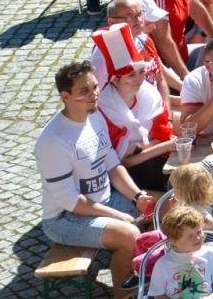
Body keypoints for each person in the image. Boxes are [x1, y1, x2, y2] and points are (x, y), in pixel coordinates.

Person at [35, 61, 149, 298]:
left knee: (164, 205)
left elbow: (112, 165)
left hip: (104, 202)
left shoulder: (95, 117)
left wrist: (138, 196)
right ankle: (124, 295)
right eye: (84, 91)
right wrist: (118, 215)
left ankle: (158, 277)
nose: (94, 94)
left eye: (95, 87)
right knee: (129, 235)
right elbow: (69, 200)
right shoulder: (53, 140)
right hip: (65, 219)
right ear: (64, 96)